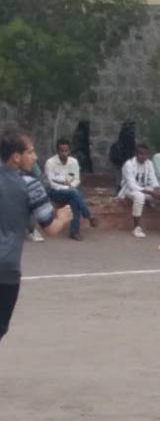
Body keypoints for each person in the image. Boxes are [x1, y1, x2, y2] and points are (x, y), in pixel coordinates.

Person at [1, 132, 72, 342]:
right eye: (30, 152)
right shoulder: (29, 185)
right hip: (6, 268)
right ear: (16, 157)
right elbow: (50, 228)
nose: (35, 157)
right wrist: (63, 217)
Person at [118, 144, 160, 238]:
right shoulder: (129, 164)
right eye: (141, 154)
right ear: (136, 154)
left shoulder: (149, 163)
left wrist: (157, 189)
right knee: (139, 196)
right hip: (129, 190)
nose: (143, 156)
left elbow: (153, 179)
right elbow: (132, 185)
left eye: (145, 154)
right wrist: (151, 192)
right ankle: (136, 228)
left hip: (146, 189)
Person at [44, 137, 97, 241]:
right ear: (57, 151)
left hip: (71, 192)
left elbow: (77, 180)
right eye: (62, 151)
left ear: (70, 151)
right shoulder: (50, 163)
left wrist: (70, 187)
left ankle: (74, 232)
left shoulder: (74, 162)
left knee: (74, 199)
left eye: (66, 150)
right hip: (54, 192)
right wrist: (68, 188)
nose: (64, 153)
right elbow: (52, 184)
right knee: (74, 193)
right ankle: (88, 216)